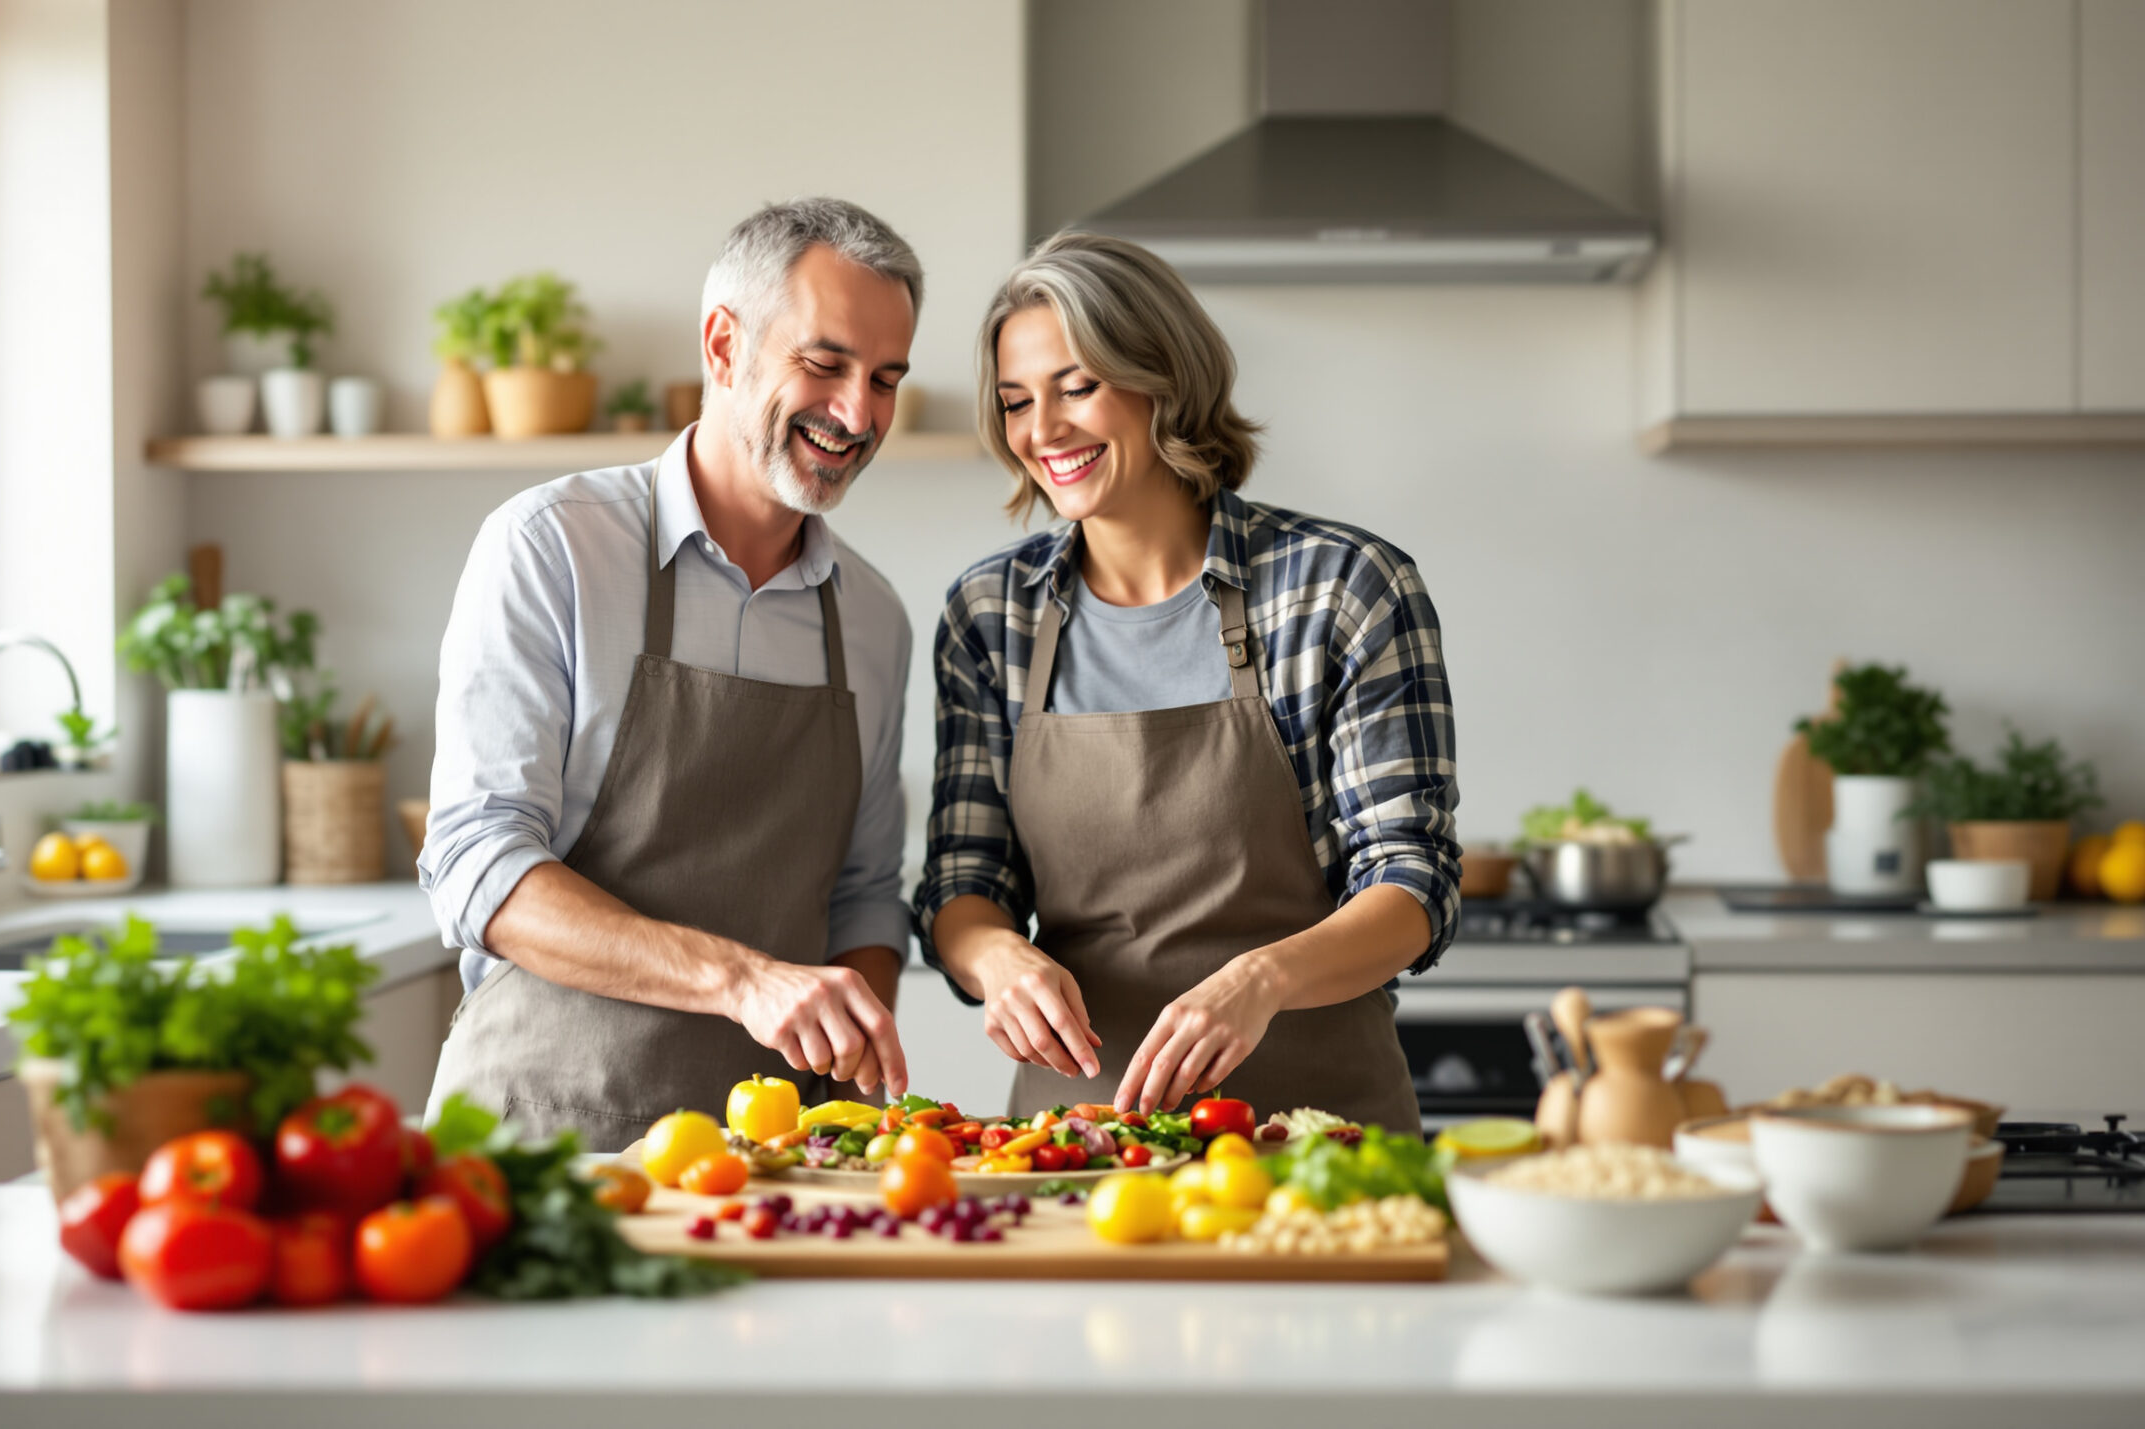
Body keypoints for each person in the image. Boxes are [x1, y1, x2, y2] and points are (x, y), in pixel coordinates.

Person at [915, 232, 1461, 1130]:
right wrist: (998, 959)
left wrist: (1263, 978)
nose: (1041, 430)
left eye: (1077, 387)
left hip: (1321, 1139)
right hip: (1080, 1147)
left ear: (1163, 377)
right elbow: (963, 882)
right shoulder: (991, 614)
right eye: (1017, 401)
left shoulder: (1344, 586)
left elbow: (1411, 881)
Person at [422, 198, 921, 1146]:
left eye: (885, 378)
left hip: (775, 1164)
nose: (858, 414)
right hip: (540, 1138)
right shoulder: (552, 549)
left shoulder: (872, 617)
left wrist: (857, 1090)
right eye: (824, 365)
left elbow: (862, 892)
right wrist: (740, 980)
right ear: (724, 347)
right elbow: (479, 861)